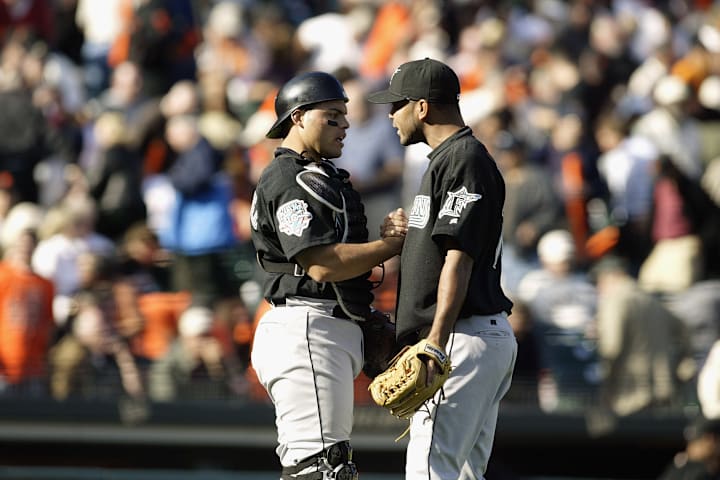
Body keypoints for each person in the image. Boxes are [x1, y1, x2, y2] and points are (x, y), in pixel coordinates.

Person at [248, 71, 407, 480]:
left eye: (345, 115)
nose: (345, 124)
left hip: (324, 325)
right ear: (298, 117)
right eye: (332, 115)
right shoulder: (287, 177)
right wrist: (388, 247)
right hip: (305, 325)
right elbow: (320, 263)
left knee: (328, 465)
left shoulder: (317, 173)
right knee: (319, 469)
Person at [367, 57, 517, 480]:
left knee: (430, 470)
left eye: (396, 105)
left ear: (422, 107)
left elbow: (459, 257)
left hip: (459, 334)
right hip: (470, 334)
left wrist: (435, 341)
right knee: (462, 474)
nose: (389, 115)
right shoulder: (448, 159)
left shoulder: (464, 158)